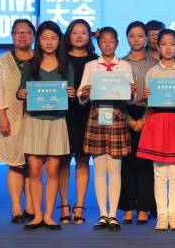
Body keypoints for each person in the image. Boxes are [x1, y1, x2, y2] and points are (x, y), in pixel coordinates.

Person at [17, 21, 75, 230]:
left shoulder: (66, 65)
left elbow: (72, 93)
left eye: (53, 38)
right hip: (34, 121)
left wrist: (72, 94)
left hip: (57, 121)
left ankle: (49, 215)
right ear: (38, 40)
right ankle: (37, 215)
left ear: (59, 40)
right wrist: (21, 94)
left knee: (52, 170)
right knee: (34, 169)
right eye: (44, 38)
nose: (49, 42)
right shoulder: (29, 64)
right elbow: (21, 91)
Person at [137, 29, 175, 230]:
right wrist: (146, 95)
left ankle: (174, 214)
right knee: (159, 172)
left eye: (172, 44)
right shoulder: (152, 72)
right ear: (158, 47)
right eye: (164, 44)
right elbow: (148, 99)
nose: (168, 48)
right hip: (158, 120)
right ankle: (162, 215)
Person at [78, 27, 135, 232]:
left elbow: (130, 97)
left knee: (115, 169)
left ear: (117, 44)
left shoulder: (125, 66)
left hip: (118, 116)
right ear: (99, 43)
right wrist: (84, 92)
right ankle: (103, 214)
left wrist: (131, 92)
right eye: (104, 40)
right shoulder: (91, 66)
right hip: (97, 115)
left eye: (112, 41)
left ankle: (113, 215)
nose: (108, 44)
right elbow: (81, 97)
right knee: (100, 169)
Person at [0, 19, 35, 224]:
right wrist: (2, 117)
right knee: (16, 164)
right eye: (18, 32)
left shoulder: (40, 58)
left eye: (26, 32)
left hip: (37, 119)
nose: (22, 36)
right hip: (11, 118)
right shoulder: (2, 60)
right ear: (12, 36)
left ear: (33, 36)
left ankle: (31, 206)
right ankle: (16, 207)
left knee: (33, 164)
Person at [57, 19, 98, 224]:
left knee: (83, 160)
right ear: (68, 36)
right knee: (63, 161)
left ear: (89, 36)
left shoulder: (96, 60)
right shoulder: (58, 58)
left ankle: (80, 205)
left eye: (83, 32)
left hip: (87, 116)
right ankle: (64, 204)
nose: (79, 36)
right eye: (75, 32)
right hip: (62, 116)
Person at [118, 21, 158, 224]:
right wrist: (128, 119)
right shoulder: (119, 63)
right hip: (123, 114)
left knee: (145, 164)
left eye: (140, 36)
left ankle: (143, 207)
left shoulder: (154, 63)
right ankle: (127, 207)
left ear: (147, 38)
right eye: (132, 36)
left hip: (148, 114)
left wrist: (142, 120)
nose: (136, 39)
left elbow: (157, 96)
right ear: (127, 38)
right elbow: (113, 94)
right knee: (126, 164)